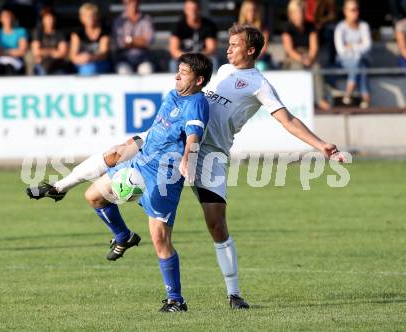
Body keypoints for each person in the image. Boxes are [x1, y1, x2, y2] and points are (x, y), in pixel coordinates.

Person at [26, 24, 344, 310]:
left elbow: (287, 120)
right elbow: (194, 101)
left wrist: (321, 145)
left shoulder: (259, 85)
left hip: (208, 156)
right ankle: (59, 187)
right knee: (116, 152)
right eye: (229, 43)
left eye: (235, 44)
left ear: (251, 50)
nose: (228, 48)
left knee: (216, 225)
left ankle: (234, 294)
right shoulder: (222, 72)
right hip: (173, 144)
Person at [27, 53, 213, 313]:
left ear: (199, 79)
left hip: (163, 178)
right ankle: (122, 235)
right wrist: (134, 143)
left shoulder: (197, 102)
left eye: (183, 72)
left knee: (160, 240)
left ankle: (176, 300)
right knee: (93, 196)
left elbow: (194, 135)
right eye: (178, 70)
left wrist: (188, 160)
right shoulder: (173, 95)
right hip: (140, 163)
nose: (177, 75)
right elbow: (159, 130)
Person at [282, 0, 331, 111]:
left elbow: (314, 47)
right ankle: (301, 100)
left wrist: (310, 58)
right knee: (298, 69)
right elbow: (290, 50)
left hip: (309, 55)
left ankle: (320, 99)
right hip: (294, 57)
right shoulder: (287, 28)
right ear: (291, 14)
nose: (300, 15)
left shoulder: (310, 26)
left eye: (302, 12)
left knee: (317, 67)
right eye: (297, 13)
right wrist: (302, 59)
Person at [334, 0, 372, 108]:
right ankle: (365, 96)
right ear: (345, 11)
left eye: (357, 9)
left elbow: (368, 46)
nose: (356, 12)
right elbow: (341, 51)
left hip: (361, 60)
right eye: (353, 10)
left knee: (360, 61)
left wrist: (351, 46)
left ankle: (349, 91)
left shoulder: (364, 26)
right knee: (360, 63)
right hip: (344, 61)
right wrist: (358, 46)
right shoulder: (340, 28)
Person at [169, 0, 218, 72]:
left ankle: (212, 83)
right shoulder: (178, 26)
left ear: (199, 9)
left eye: (195, 9)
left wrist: (197, 57)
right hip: (184, 58)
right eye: (189, 9)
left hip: (202, 58)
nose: (193, 12)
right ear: (185, 10)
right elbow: (174, 50)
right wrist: (188, 58)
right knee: (173, 63)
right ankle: (176, 82)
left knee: (213, 61)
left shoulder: (209, 25)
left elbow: (211, 49)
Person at [113, 0, 154, 75]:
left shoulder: (146, 19)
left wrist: (129, 40)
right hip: (124, 58)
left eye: (135, 1)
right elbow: (120, 43)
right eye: (130, 2)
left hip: (143, 58)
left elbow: (149, 41)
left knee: (147, 70)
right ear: (125, 3)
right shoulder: (119, 20)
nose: (133, 4)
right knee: (123, 72)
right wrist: (141, 40)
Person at [70, 2, 110, 75]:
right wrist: (81, 59)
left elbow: (104, 54)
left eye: (92, 15)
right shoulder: (77, 34)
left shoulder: (104, 32)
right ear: (82, 18)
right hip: (81, 63)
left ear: (97, 16)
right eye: (87, 16)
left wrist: (90, 58)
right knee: (86, 68)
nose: (90, 18)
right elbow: (73, 56)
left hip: (99, 62)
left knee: (90, 69)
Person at [31, 7, 70, 75]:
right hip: (42, 63)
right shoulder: (38, 33)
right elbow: (36, 51)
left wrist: (44, 52)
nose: (50, 21)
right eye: (47, 19)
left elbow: (62, 53)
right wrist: (53, 51)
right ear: (43, 20)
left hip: (57, 64)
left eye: (51, 18)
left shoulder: (60, 33)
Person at [238, 0, 272, 70]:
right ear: (243, 12)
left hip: (259, 58)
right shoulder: (239, 28)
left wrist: (252, 59)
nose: (251, 13)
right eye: (248, 10)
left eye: (254, 10)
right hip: (243, 58)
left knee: (261, 67)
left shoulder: (263, 28)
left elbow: (264, 47)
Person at [0, 6, 28, 75]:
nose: (8, 19)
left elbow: (22, 51)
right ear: (0, 19)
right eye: (5, 17)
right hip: (1, 62)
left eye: (9, 16)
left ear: (13, 18)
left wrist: (5, 52)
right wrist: (14, 51)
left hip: (17, 61)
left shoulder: (21, 31)